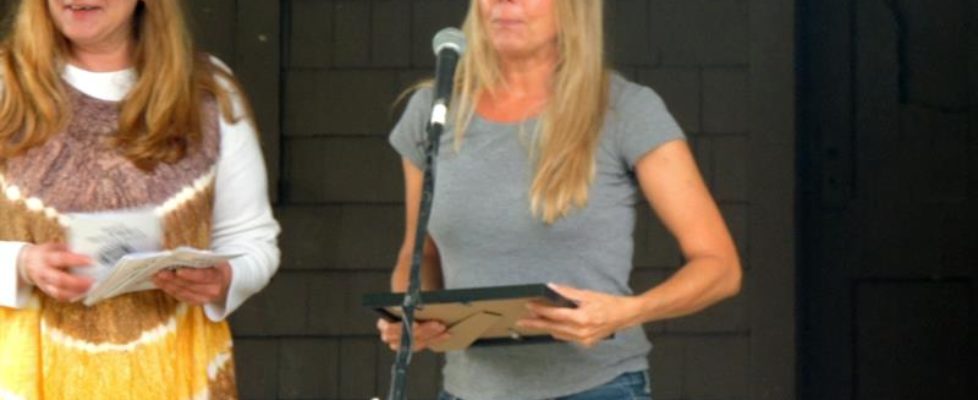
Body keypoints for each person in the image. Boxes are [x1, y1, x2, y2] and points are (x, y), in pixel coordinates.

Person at [377, 0, 742, 399]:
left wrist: (627, 312)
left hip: (596, 387)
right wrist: (410, 314)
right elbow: (419, 254)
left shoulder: (625, 109)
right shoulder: (433, 111)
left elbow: (720, 267)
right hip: (467, 390)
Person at [0, 1, 279, 398]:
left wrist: (225, 279)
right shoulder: (4, 83)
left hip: (177, 376)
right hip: (22, 377)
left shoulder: (206, 89)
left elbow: (251, 239)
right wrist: (21, 264)